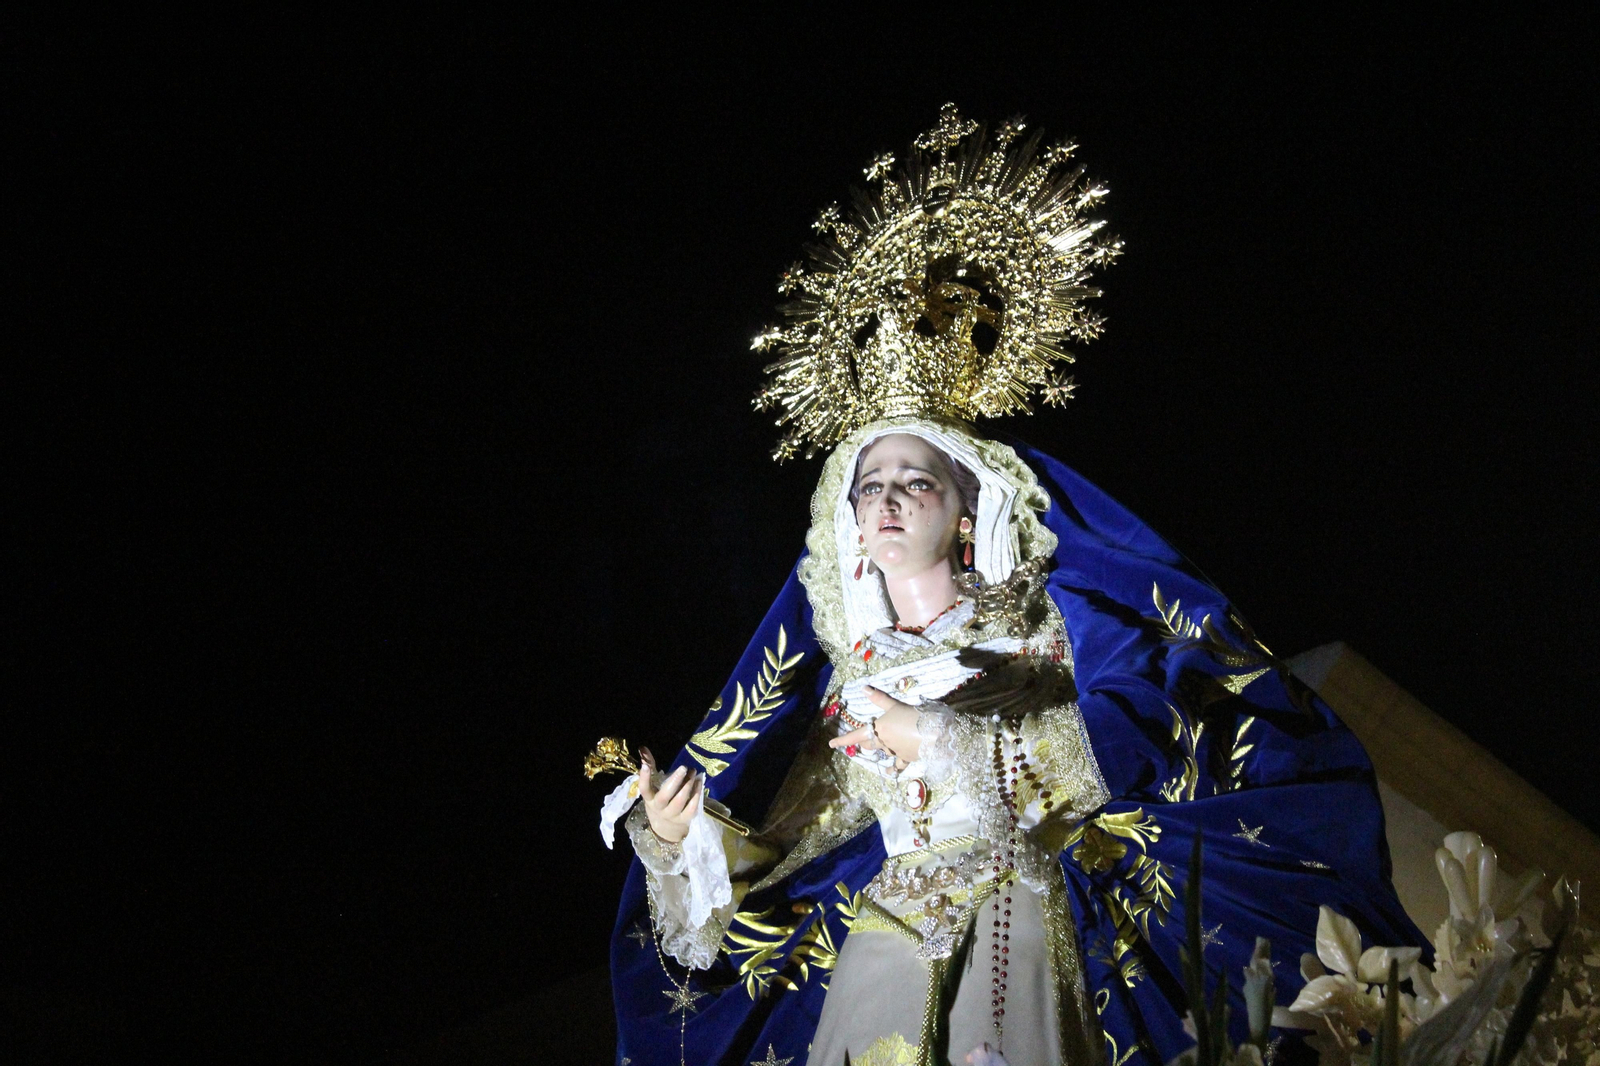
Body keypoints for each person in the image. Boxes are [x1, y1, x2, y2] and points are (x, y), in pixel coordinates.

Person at [599, 107, 1423, 1066]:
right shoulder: (854, 675)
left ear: (967, 509)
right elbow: (801, 848)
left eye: (917, 482)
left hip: (1018, 911)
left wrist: (937, 736)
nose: (891, 500)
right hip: (888, 934)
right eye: (871, 487)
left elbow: (1115, 750)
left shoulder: (1036, 631)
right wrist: (680, 845)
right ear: (851, 527)